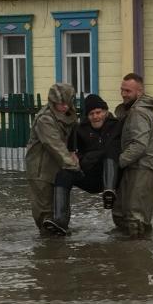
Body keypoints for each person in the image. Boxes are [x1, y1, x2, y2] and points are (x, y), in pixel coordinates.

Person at [48, 94, 121, 232]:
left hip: (113, 177)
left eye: (98, 112)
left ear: (105, 112)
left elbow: (117, 150)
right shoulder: (80, 129)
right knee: (63, 174)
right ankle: (60, 220)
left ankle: (109, 192)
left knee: (110, 152)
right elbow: (73, 154)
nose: (95, 116)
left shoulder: (116, 126)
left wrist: (93, 155)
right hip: (89, 173)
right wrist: (84, 158)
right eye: (91, 114)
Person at [25, 82, 79, 233]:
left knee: (62, 211)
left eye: (67, 103)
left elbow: (72, 140)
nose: (64, 107)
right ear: (53, 102)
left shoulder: (69, 115)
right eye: (60, 104)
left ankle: (59, 248)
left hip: (58, 169)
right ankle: (47, 250)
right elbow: (54, 145)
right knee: (45, 213)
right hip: (40, 171)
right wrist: (74, 166)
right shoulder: (45, 119)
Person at [112, 73, 153, 235]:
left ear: (139, 92)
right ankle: (133, 253)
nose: (123, 94)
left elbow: (139, 145)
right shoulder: (136, 110)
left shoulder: (138, 112)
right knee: (125, 213)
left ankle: (138, 256)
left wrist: (117, 162)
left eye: (128, 91)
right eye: (122, 90)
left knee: (135, 217)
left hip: (142, 168)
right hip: (137, 167)